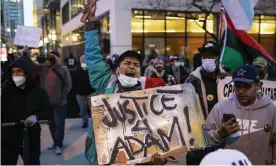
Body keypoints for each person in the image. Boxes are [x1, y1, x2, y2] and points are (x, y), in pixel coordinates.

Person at [81, 0, 169, 164]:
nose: (132, 67)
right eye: (127, 63)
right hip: (105, 156)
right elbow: (93, 56)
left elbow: (160, 127)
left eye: (136, 65)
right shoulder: (106, 83)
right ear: (117, 69)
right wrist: (92, 22)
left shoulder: (148, 93)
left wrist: (159, 155)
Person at [205, 64, 276, 165]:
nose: (241, 91)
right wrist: (220, 134)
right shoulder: (221, 107)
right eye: (237, 86)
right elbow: (204, 140)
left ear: (258, 85)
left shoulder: (272, 110)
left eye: (246, 86)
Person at [1, 59, 51, 165]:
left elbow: (47, 111)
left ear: (26, 72)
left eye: (19, 71)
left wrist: (36, 117)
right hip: (9, 137)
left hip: (30, 136)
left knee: (32, 162)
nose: (15, 74)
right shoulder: (5, 90)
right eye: (13, 72)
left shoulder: (38, 91)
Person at [185, 41, 223, 164]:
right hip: (198, 137)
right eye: (205, 56)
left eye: (211, 56)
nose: (207, 59)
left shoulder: (226, 79)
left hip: (221, 135)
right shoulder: (192, 79)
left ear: (217, 58)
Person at [44, 50, 72, 155]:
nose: (53, 58)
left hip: (60, 102)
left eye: (54, 57)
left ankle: (58, 145)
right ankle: (56, 143)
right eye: (51, 57)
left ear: (59, 57)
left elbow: (69, 85)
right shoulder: (45, 69)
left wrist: (62, 96)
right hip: (48, 103)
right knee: (51, 124)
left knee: (59, 124)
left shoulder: (63, 69)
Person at [75, 55, 95, 128]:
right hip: (80, 93)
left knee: (93, 109)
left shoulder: (91, 69)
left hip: (91, 92)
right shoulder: (77, 70)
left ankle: (94, 122)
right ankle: (85, 121)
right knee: (83, 109)